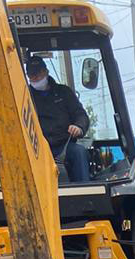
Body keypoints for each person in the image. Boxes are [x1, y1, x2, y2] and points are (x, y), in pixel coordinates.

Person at [25, 56, 91, 184]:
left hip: (64, 146)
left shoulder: (64, 92)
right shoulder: (26, 98)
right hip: (37, 150)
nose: (36, 78)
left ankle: (84, 191)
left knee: (79, 152)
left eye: (38, 73)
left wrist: (78, 126)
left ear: (46, 72)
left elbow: (80, 115)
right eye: (32, 75)